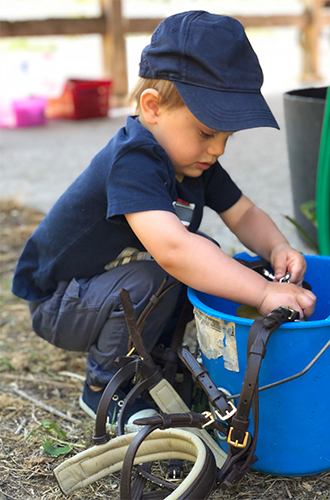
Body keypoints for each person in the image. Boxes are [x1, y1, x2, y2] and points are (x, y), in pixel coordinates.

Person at [12, 11, 316, 430]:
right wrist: (263, 292)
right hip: (60, 304)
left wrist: (277, 248)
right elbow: (173, 250)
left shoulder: (195, 163)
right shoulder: (134, 159)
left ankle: (157, 360)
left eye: (228, 137)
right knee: (169, 266)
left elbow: (243, 212)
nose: (219, 150)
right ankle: (104, 387)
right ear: (152, 108)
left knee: (205, 257)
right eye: (208, 133)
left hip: (105, 290)